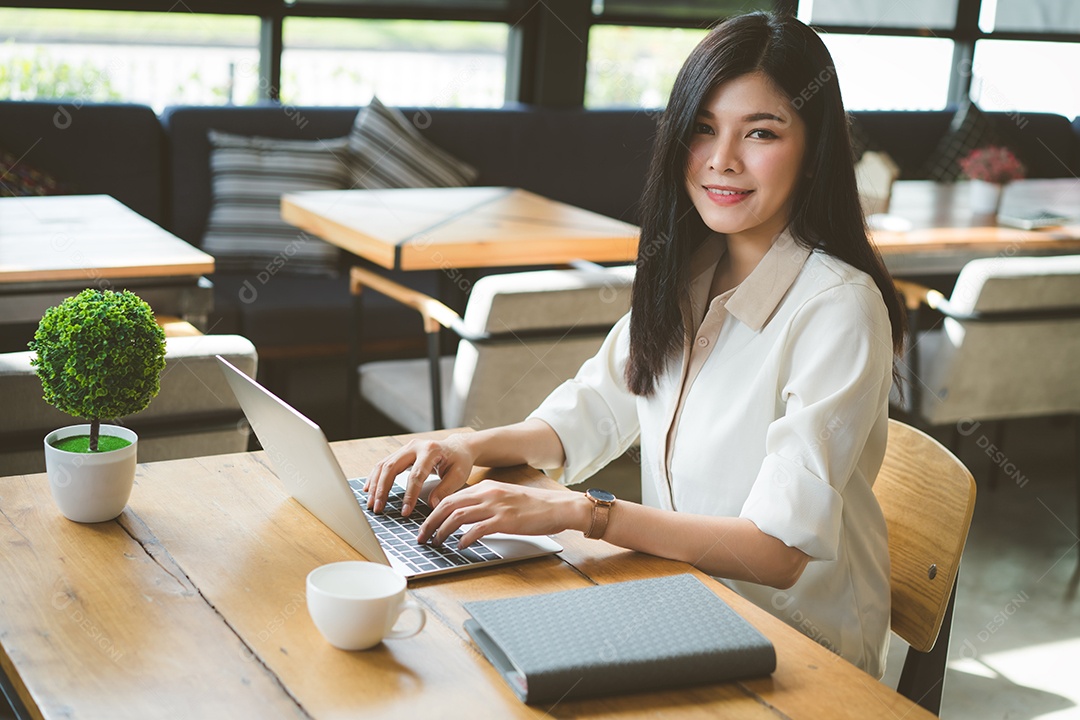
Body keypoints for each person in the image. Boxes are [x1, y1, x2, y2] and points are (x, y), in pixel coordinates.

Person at [364, 11, 907, 678]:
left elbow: (776, 553)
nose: (721, 160)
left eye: (760, 132)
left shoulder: (838, 307)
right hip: (686, 606)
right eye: (703, 129)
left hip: (799, 660)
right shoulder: (686, 268)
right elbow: (593, 408)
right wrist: (468, 446)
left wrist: (582, 514)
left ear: (814, 146)